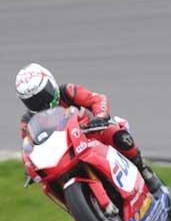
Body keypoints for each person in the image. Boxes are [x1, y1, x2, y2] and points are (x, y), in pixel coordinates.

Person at [15, 62, 162, 192]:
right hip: (63, 155)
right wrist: (30, 167)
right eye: (32, 101)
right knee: (49, 185)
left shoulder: (68, 92)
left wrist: (100, 117)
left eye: (43, 95)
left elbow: (97, 99)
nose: (41, 103)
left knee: (118, 136)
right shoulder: (27, 122)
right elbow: (28, 148)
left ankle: (144, 171)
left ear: (51, 83)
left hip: (91, 134)